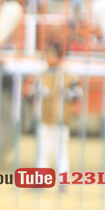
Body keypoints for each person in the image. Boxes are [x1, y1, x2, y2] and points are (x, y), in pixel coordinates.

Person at [35, 39, 78, 176]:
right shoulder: (41, 75)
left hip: (61, 120)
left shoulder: (68, 76)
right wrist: (39, 92)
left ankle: (62, 180)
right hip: (44, 119)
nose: (49, 58)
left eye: (52, 54)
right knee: (43, 151)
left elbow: (77, 93)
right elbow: (30, 93)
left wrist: (67, 93)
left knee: (61, 151)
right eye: (47, 54)